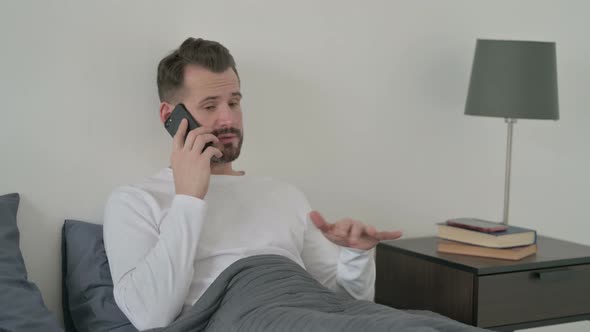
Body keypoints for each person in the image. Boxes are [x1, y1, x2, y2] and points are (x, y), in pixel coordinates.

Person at [103, 37, 403, 330]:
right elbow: (148, 317)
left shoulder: (284, 195)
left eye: (234, 102)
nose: (227, 119)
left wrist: (356, 256)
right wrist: (188, 199)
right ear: (170, 116)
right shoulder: (135, 201)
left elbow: (344, 306)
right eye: (210, 106)